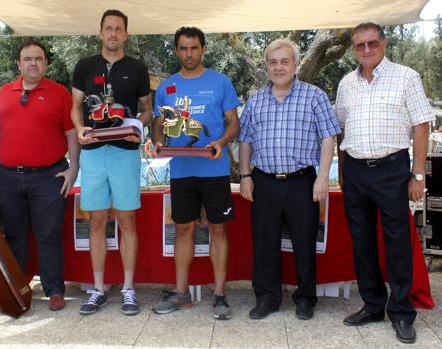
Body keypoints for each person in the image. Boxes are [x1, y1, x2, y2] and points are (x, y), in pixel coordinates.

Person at [336, 22, 434, 344]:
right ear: (353, 49)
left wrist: (417, 174)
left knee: (397, 244)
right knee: (361, 242)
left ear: (384, 43)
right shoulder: (346, 84)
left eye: (372, 43)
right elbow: (340, 128)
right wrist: (344, 168)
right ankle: (373, 304)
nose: (366, 50)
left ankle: (402, 313)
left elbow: (422, 125)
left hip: (392, 169)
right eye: (360, 45)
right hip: (354, 172)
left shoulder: (406, 77)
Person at [238, 38, 340, 321]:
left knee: (304, 242)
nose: (278, 67)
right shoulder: (256, 99)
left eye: (284, 61)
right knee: (264, 243)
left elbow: (328, 137)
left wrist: (322, 177)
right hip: (264, 182)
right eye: (273, 62)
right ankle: (267, 299)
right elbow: (245, 141)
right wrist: (245, 176)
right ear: (266, 67)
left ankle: (305, 298)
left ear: (296, 65)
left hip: (302, 182)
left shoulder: (315, 96)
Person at [149, 26, 240, 320]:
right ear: (177, 51)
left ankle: (221, 295)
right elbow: (159, 125)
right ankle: (181, 294)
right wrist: (158, 143)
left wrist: (221, 142)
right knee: (184, 228)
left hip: (214, 169)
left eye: (194, 48)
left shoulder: (220, 82)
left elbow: (233, 124)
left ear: (203, 49)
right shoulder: (166, 87)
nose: (189, 54)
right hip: (182, 171)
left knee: (218, 229)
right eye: (184, 48)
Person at [71, 9, 152, 315]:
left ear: (126, 34)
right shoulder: (84, 66)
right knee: (96, 221)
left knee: (127, 220)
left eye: (119, 29)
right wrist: (79, 128)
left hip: (124, 152)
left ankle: (129, 288)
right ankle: (98, 288)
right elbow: (74, 108)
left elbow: (147, 109)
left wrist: (137, 128)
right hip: (93, 153)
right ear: (100, 32)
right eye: (109, 29)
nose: (114, 34)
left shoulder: (137, 67)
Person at [0, 38, 79, 311]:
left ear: (46, 63)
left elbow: (71, 132)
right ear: (18, 63)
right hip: (8, 176)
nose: (33, 63)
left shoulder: (59, 93)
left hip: (49, 176)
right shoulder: (3, 93)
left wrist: (74, 168)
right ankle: (16, 287)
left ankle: (54, 290)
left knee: (49, 235)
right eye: (27, 58)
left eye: (38, 58)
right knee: (14, 236)